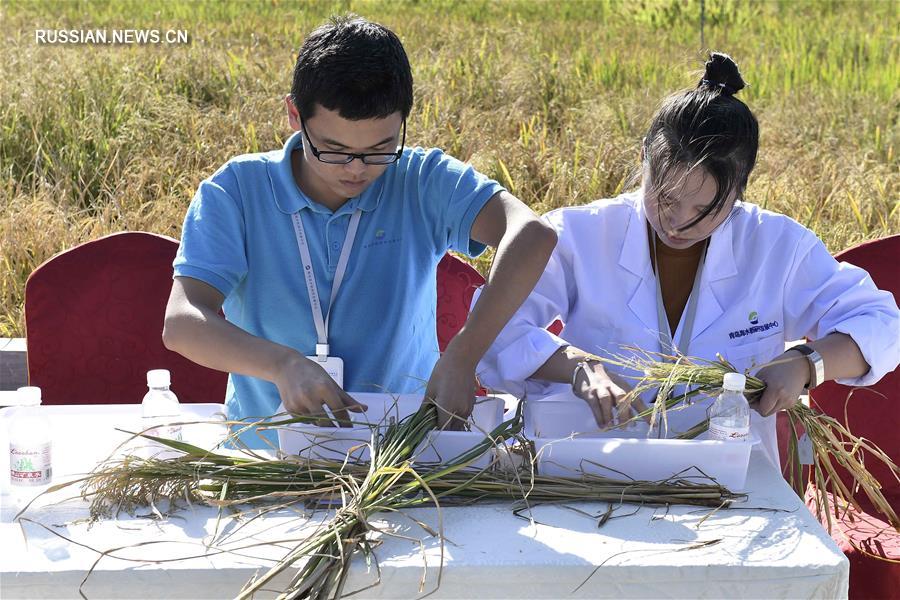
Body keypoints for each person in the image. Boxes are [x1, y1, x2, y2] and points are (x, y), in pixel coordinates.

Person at [475, 52, 900, 466]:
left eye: (704, 211)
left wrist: (808, 364)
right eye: (665, 198)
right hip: (595, 467)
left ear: (739, 191)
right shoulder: (581, 234)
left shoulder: (777, 247)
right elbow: (491, 330)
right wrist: (578, 367)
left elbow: (882, 323)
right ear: (644, 158)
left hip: (729, 478)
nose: (677, 223)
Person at [162, 15, 557, 443]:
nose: (356, 170)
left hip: (404, 455)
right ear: (295, 115)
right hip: (265, 453)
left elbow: (532, 235)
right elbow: (183, 322)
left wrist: (464, 352)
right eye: (333, 149)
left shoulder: (422, 179)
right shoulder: (236, 191)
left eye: (379, 149)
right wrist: (280, 364)